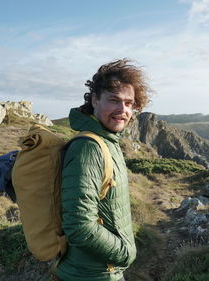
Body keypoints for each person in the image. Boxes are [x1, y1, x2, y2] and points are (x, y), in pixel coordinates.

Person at [56, 59, 151, 281]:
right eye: (114, 100)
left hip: (103, 271)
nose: (123, 110)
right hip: (91, 275)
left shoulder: (107, 141)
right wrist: (125, 254)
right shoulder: (88, 148)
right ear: (95, 99)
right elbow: (79, 226)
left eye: (129, 103)